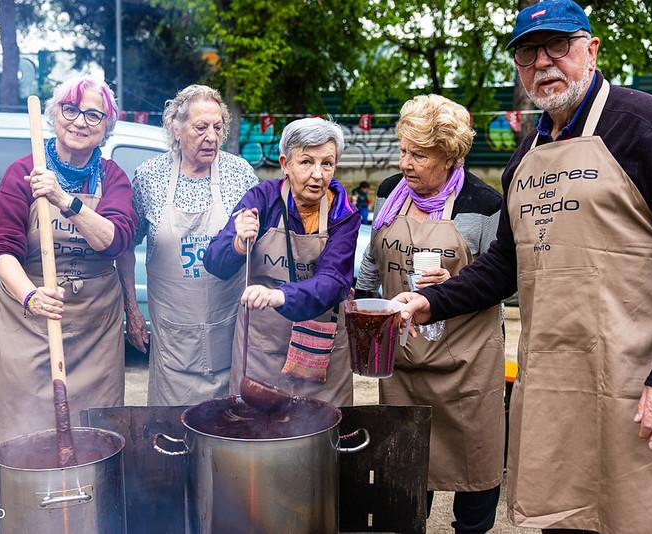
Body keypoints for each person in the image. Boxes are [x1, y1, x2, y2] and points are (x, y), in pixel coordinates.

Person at [396, 1, 652, 532]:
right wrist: (431, 300)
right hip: (554, 380)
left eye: (559, 45)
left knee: (638, 513)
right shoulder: (525, 154)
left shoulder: (648, 128)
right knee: (565, 513)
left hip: (640, 381)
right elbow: (506, 264)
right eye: (528, 52)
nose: (544, 62)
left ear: (591, 50)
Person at [0, 75, 137, 532]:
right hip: (28, 316)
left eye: (94, 114)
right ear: (54, 115)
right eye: (70, 109)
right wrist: (29, 294)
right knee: (20, 421)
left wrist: (65, 201)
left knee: (93, 427)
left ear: (107, 127)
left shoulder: (113, 179)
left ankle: (91, 517)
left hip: (93, 325)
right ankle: (6, 521)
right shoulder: (21, 172)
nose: (80, 121)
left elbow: (115, 239)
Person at [368, 94, 504, 534]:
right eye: (403, 150)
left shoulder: (484, 205)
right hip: (404, 362)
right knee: (406, 468)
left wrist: (455, 284)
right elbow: (373, 259)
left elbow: (507, 278)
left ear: (450, 156)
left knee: (475, 463)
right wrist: (360, 298)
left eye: (419, 154)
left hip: (465, 363)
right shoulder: (390, 192)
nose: (406, 163)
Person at [118, 84, 259, 406]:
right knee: (172, 430)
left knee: (228, 428)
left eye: (217, 127)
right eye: (200, 127)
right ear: (176, 129)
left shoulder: (240, 174)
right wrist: (132, 311)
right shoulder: (150, 176)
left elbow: (261, 246)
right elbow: (126, 246)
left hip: (230, 329)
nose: (211, 136)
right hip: (173, 339)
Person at [204, 117, 360, 406]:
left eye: (327, 163)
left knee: (321, 441)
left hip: (323, 355)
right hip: (262, 355)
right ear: (285, 163)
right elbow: (215, 262)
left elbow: (333, 282)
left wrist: (278, 295)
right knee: (256, 439)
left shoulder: (343, 213)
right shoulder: (262, 199)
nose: (317, 174)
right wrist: (238, 243)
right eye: (306, 162)